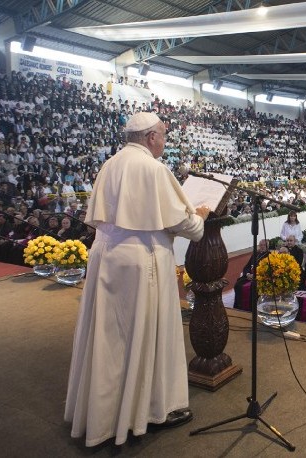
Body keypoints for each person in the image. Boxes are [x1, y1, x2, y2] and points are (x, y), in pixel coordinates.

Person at [64, 112, 211, 447]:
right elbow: (183, 223)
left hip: (106, 256)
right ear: (150, 137)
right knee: (147, 334)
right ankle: (152, 410)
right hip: (142, 260)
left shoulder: (110, 165)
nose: (164, 140)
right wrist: (199, 217)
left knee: (109, 337)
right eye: (163, 134)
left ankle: (104, 416)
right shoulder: (153, 169)